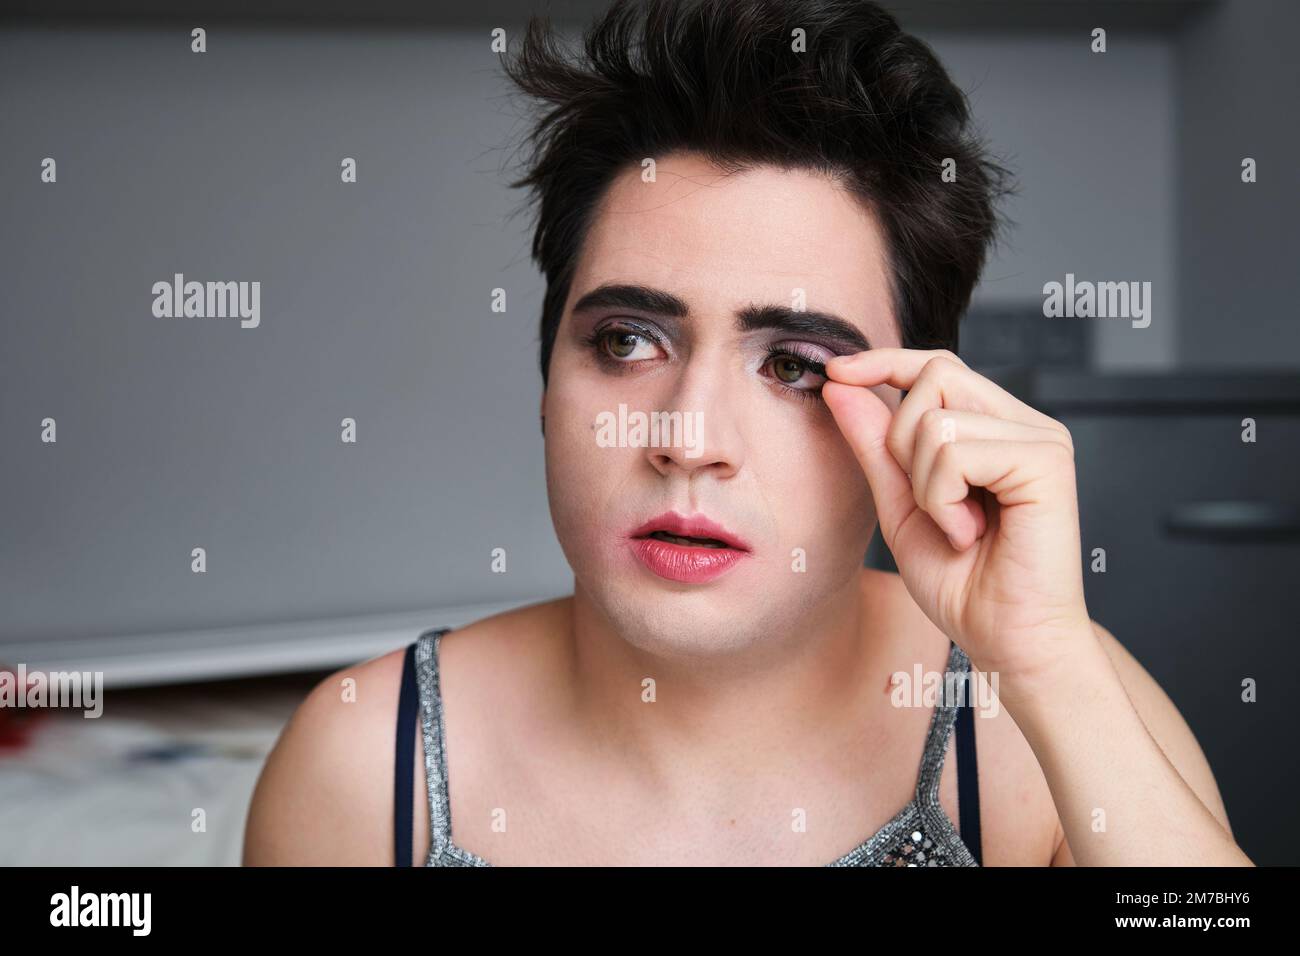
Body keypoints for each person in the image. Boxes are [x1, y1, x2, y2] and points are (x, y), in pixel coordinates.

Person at [243, 0, 1249, 866]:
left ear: (911, 412)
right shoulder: (366, 765)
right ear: (546, 374)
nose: (687, 437)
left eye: (792, 366)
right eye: (627, 339)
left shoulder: (1039, 719)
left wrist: (1044, 662)